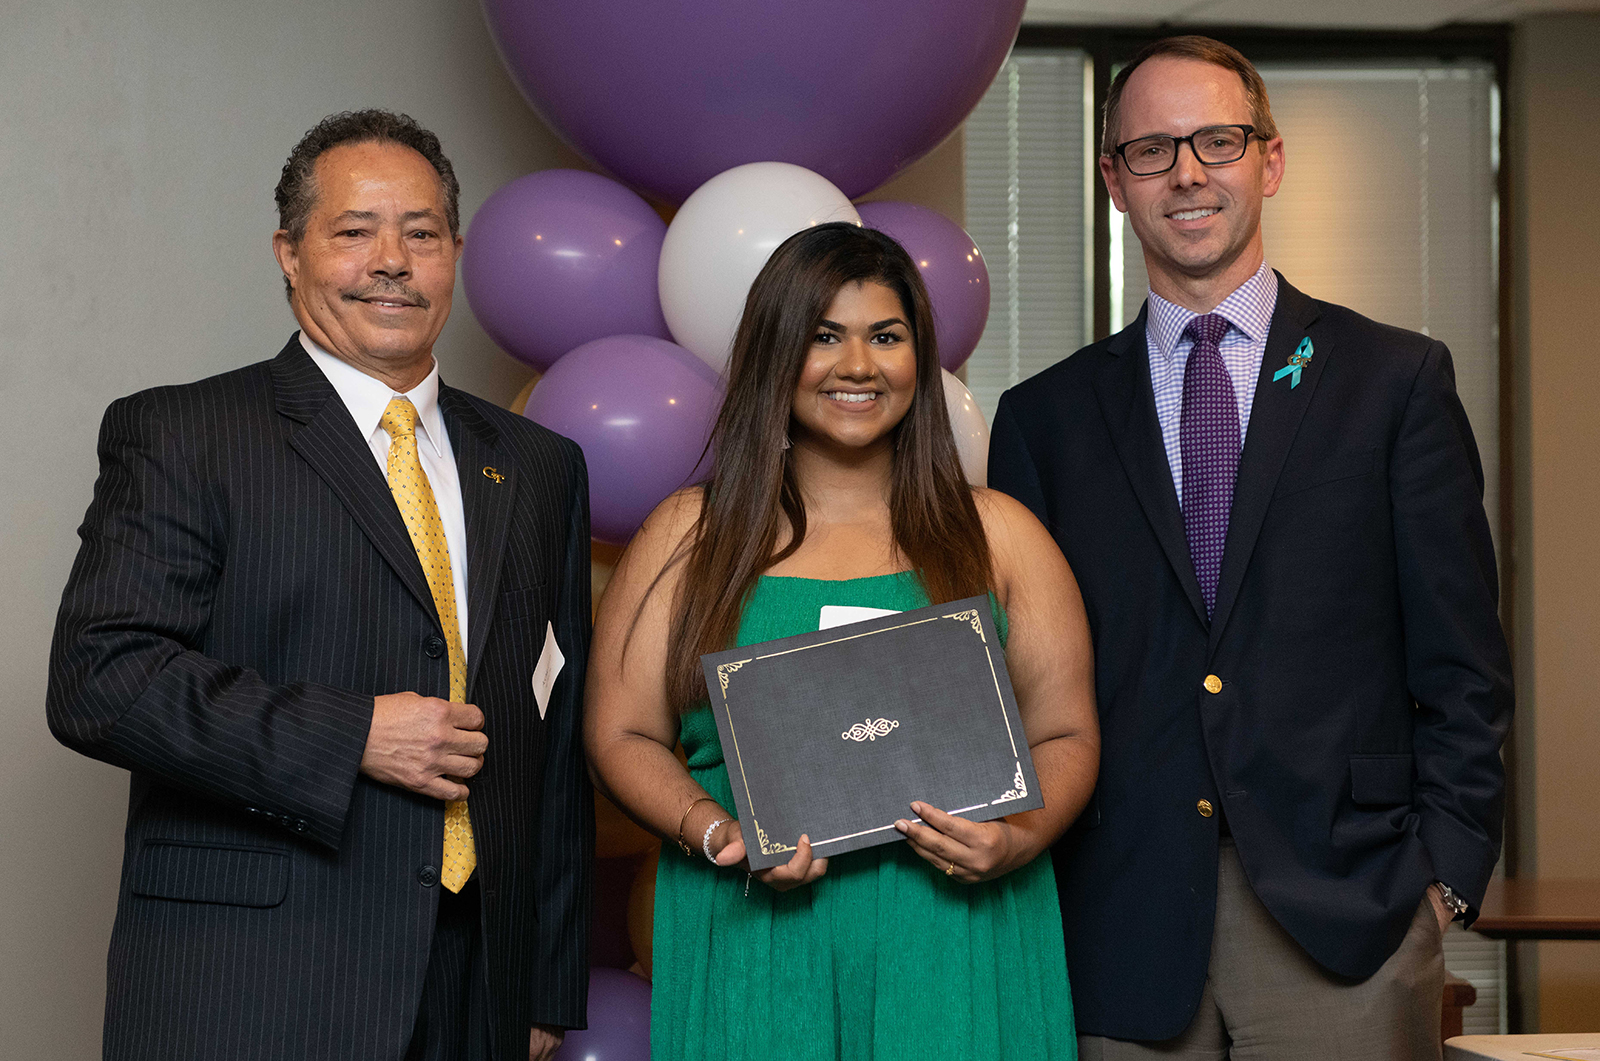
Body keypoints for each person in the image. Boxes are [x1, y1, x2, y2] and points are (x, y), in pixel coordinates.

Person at [988, 36, 1513, 1061]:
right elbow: (1015, 681)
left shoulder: (1392, 382)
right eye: (1151, 149)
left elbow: (1461, 658)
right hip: (1118, 916)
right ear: (1113, 181)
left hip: (1346, 910)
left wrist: (1441, 877)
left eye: (1216, 141)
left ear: (1267, 162)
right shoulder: (1042, 419)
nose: (1187, 171)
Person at [47, 109, 592, 1061]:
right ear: (289, 254)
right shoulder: (185, 434)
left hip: (479, 990)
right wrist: (353, 738)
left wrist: (542, 983)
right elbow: (99, 678)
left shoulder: (539, 463)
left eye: (422, 233)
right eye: (354, 231)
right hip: (256, 980)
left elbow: (552, 730)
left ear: (454, 254)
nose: (392, 260)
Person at [585, 222, 1099, 1060]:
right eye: (824, 336)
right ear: (775, 354)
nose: (857, 365)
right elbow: (621, 731)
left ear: (918, 359)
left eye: (885, 336)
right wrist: (716, 830)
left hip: (957, 935)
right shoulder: (690, 534)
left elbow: (1067, 732)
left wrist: (1019, 837)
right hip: (756, 932)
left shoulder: (1002, 536)